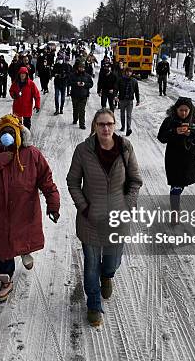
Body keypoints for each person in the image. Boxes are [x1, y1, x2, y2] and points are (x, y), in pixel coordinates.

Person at [0, 115, 60, 302]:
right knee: (3, 247)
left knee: (22, 235)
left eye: (11, 132)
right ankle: (6, 280)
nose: (7, 136)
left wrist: (53, 204)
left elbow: (46, 180)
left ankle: (25, 251)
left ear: (19, 133)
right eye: (3, 132)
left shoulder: (32, 153)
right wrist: (1, 158)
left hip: (24, 210)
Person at [66, 108, 143, 327]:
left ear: (115, 125)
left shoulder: (125, 147)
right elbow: (73, 182)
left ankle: (108, 275)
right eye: (101, 124)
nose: (106, 128)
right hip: (91, 220)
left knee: (112, 262)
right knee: (91, 266)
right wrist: (84, 208)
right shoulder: (83, 150)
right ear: (95, 127)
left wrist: (128, 205)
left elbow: (135, 180)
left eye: (109, 124)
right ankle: (93, 305)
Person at [157, 97, 195, 212]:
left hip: (189, 158)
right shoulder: (169, 120)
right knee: (176, 184)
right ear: (176, 109)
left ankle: (176, 197)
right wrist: (174, 131)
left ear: (190, 110)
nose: (184, 113)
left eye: (186, 110)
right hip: (173, 157)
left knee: (182, 183)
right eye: (181, 110)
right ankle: (175, 211)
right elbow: (161, 137)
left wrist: (193, 132)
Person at [116, 67, 140, 136]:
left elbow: (137, 91)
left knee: (129, 115)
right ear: (125, 72)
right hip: (122, 100)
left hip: (130, 101)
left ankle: (128, 129)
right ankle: (123, 126)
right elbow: (116, 88)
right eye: (127, 71)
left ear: (131, 73)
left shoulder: (134, 81)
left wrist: (138, 100)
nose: (128, 73)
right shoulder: (120, 80)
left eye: (130, 72)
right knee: (122, 114)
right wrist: (115, 96)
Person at [70, 61, 94, 130]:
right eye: (80, 67)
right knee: (75, 108)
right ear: (78, 68)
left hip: (83, 95)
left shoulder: (87, 76)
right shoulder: (73, 75)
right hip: (75, 95)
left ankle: (82, 124)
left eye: (82, 68)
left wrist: (85, 84)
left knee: (82, 110)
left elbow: (91, 84)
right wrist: (76, 83)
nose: (81, 69)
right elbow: (69, 82)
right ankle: (75, 119)